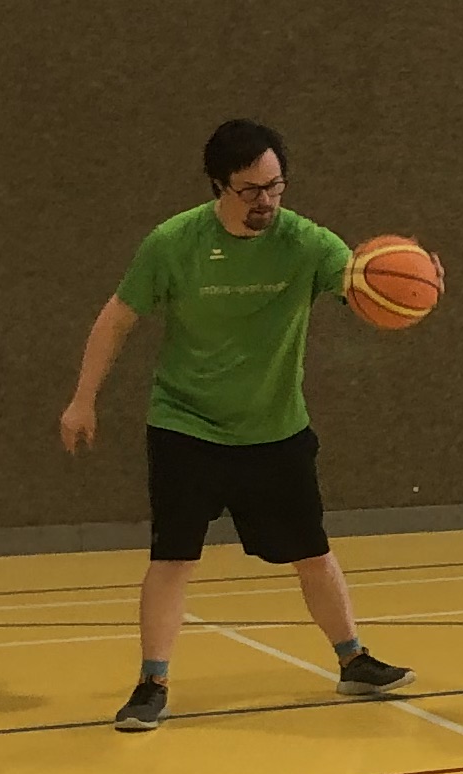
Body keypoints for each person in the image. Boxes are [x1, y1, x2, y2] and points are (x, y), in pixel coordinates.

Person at [58, 120, 413, 734]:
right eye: (251, 190)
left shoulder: (306, 242)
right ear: (218, 185)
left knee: (313, 553)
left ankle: (353, 660)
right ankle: (151, 683)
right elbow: (117, 317)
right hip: (186, 424)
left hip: (275, 427)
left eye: (275, 186)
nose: (266, 200)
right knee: (173, 559)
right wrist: (82, 399)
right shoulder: (174, 243)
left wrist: (413, 290)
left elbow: (365, 284)